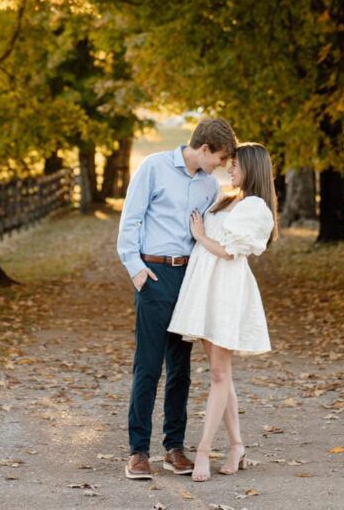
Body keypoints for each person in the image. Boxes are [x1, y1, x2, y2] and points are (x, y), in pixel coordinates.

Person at [117, 116, 237, 481]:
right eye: (219, 158)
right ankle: (138, 452)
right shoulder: (154, 167)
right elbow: (131, 220)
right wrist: (136, 270)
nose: (220, 165)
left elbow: (211, 229)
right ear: (203, 149)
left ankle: (174, 448)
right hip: (154, 275)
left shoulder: (209, 185)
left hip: (190, 278)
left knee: (180, 368)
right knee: (149, 366)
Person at [167, 142, 278, 482]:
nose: (230, 169)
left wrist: (199, 234)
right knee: (220, 373)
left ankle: (202, 451)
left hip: (226, 289)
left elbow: (228, 252)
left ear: (252, 168)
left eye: (236, 165)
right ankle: (237, 445)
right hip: (204, 288)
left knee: (218, 374)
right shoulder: (230, 198)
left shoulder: (257, 208)